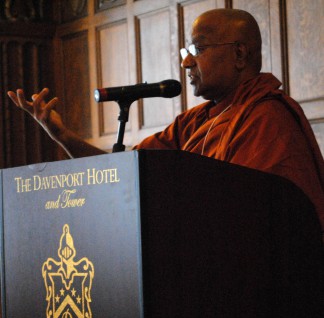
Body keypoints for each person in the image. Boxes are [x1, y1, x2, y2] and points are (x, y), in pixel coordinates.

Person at [7, 8, 324, 231]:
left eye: (197, 48)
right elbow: (124, 175)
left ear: (240, 54)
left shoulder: (268, 118)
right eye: (188, 49)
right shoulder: (193, 122)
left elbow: (273, 221)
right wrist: (62, 136)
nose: (186, 61)